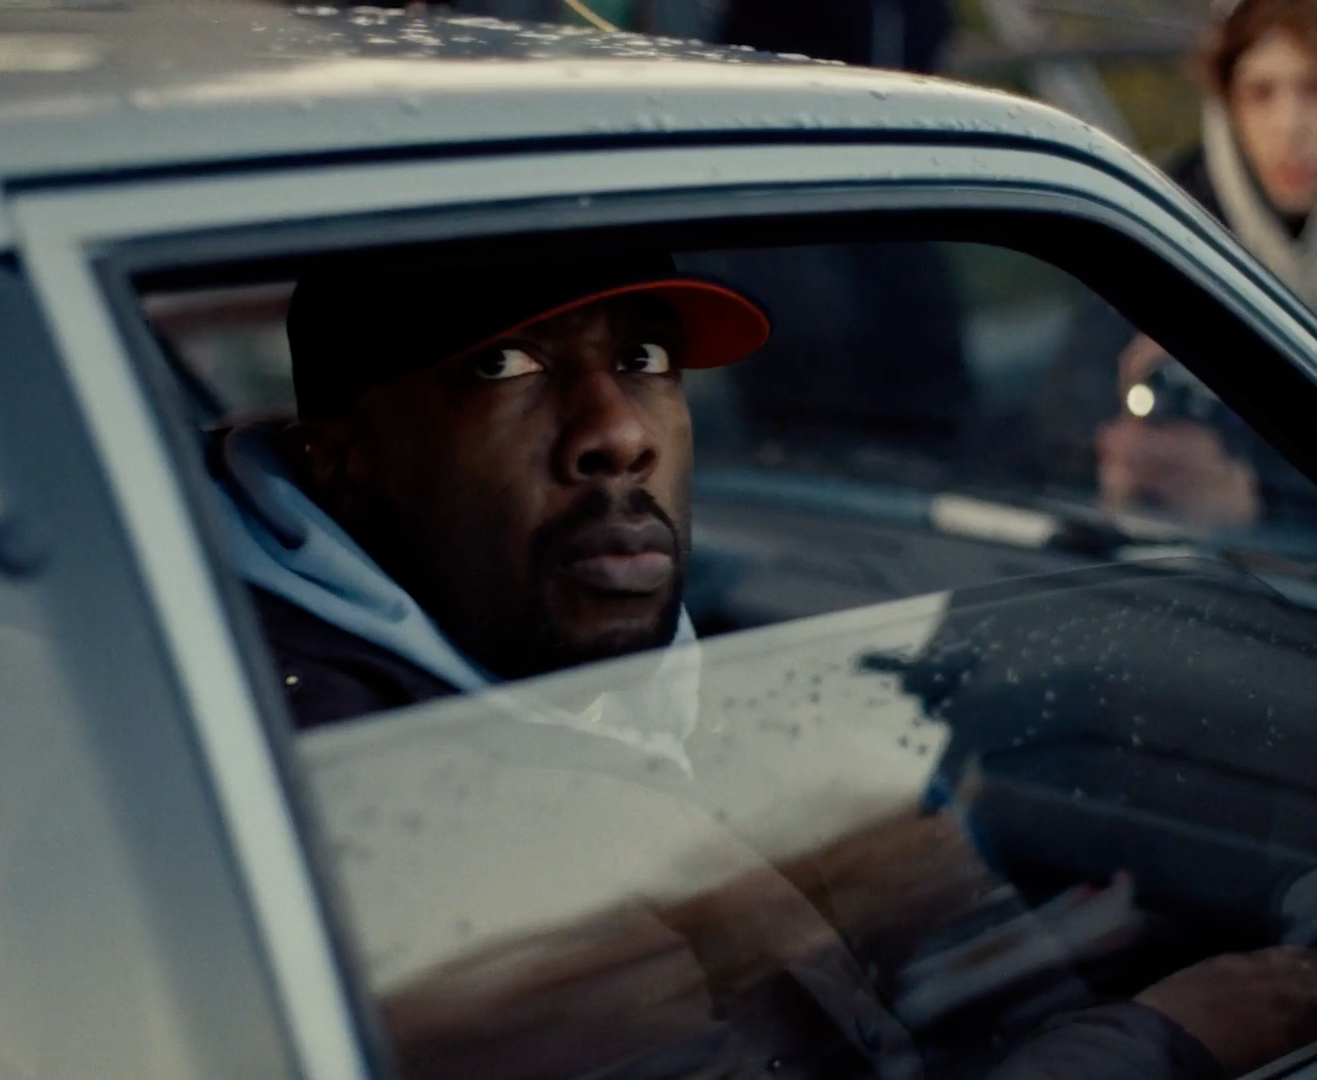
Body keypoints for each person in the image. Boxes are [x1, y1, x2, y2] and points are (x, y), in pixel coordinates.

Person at [210, 253, 1317, 1078]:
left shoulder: (657, 675)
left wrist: (1056, 949)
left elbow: (950, 988)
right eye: (503, 366)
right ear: (336, 464)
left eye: (644, 359)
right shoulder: (393, 809)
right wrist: (1183, 1037)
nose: (617, 430)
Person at [1091, 0, 1317, 527]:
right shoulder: (1159, 217)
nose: (1290, 126)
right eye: (1259, 93)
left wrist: (1262, 500)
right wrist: (1124, 443)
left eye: (1315, 89)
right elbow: (1065, 402)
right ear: (1226, 106)